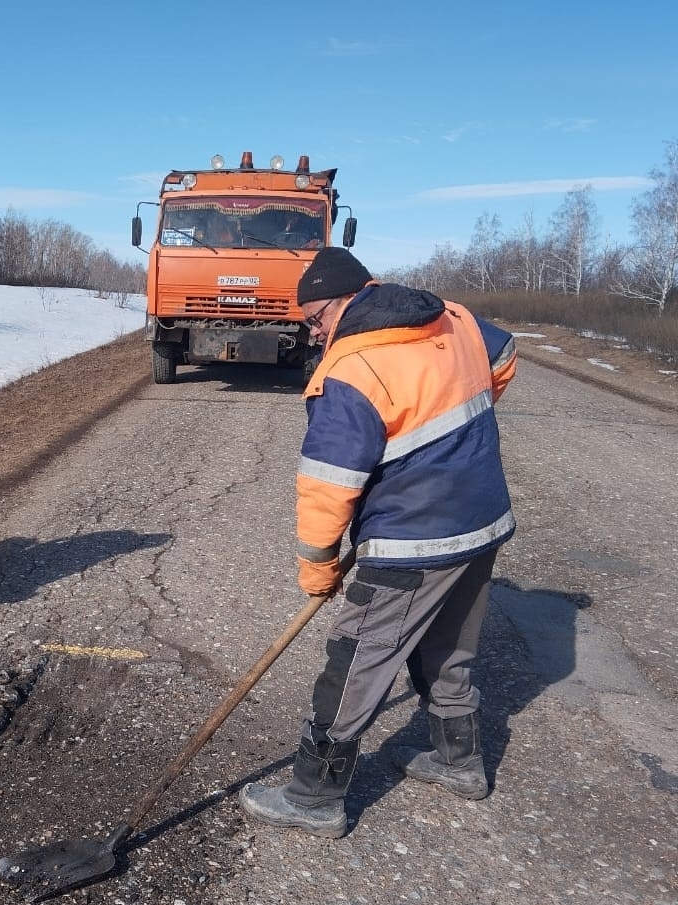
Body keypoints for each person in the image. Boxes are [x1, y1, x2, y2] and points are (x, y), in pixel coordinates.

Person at [238, 247, 517, 837]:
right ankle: (459, 761)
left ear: (348, 300)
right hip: (482, 520)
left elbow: (327, 485)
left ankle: (315, 796)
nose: (315, 334)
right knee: (447, 646)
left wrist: (318, 566)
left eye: (317, 319)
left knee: (357, 658)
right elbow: (505, 354)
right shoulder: (452, 317)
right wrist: (453, 435)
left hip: (413, 539)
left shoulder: (351, 369)